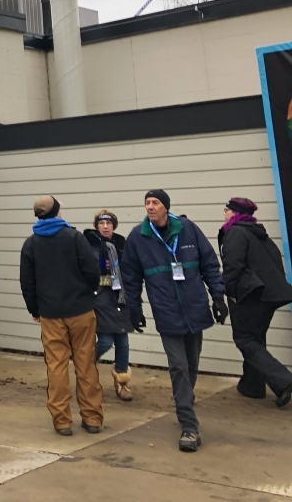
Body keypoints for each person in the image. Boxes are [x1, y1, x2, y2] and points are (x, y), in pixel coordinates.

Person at [122, 189, 228, 452]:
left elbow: (209, 264)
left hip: (195, 308)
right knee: (178, 367)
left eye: (155, 202)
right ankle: (189, 427)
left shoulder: (188, 229)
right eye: (147, 203)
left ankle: (184, 401)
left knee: (191, 365)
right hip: (166, 311)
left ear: (166, 207)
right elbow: (131, 277)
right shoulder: (138, 237)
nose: (150, 207)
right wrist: (134, 309)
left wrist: (218, 297)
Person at [19, 196, 103, 436]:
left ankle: (62, 421)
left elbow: (27, 282)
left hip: (51, 314)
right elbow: (92, 270)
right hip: (81, 311)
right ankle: (92, 418)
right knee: (86, 364)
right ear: (57, 212)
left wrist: (35, 309)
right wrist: (88, 294)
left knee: (56, 366)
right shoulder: (74, 237)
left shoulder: (31, 244)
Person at [217, 197, 292, 406]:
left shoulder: (235, 232)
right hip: (268, 295)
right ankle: (252, 386)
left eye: (227, 209)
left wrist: (230, 292)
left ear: (235, 213)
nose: (224, 213)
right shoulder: (259, 234)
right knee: (255, 339)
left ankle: (284, 380)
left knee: (245, 339)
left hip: (250, 295)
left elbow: (233, 265)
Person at [83, 210, 135, 401]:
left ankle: (122, 381)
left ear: (114, 225)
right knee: (105, 341)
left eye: (109, 223)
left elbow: (131, 270)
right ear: (96, 226)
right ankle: (85, 369)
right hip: (100, 299)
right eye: (101, 223)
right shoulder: (89, 245)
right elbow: (85, 273)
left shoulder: (122, 245)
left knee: (123, 343)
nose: (105, 227)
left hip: (120, 298)